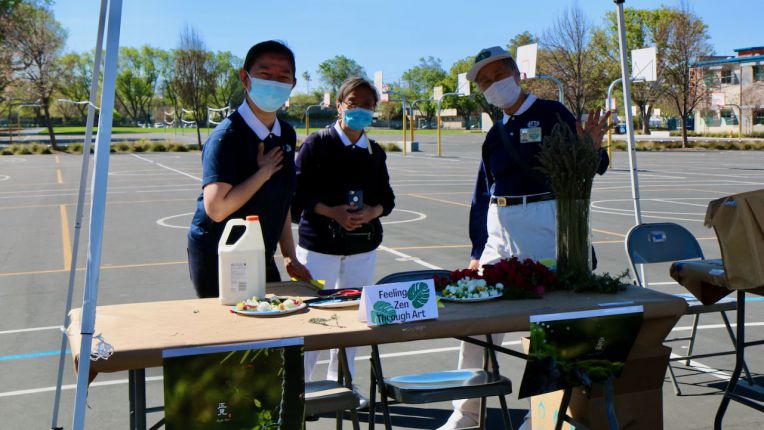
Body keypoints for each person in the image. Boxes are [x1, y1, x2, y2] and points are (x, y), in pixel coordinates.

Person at [438, 46, 610, 430]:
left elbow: (589, 166)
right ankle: (467, 414)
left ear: (517, 74)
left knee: (553, 323)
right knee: (477, 322)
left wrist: (594, 148)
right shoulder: (495, 133)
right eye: (484, 82)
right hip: (501, 227)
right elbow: (481, 193)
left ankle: (542, 419)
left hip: (545, 220)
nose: (493, 86)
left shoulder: (552, 113)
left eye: (498, 76)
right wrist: (476, 249)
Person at [187, 40, 311, 298]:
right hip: (219, 254)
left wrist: (289, 255)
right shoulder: (227, 137)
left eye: (283, 77)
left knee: (271, 328)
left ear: (293, 84)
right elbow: (216, 209)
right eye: (265, 75)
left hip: (259, 251)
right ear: (245, 78)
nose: (274, 83)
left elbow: (283, 202)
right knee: (228, 332)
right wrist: (262, 174)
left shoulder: (285, 134)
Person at [294, 77, 395, 387]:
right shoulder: (317, 144)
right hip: (318, 248)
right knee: (313, 318)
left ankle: (342, 384)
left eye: (368, 105)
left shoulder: (374, 153)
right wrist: (332, 212)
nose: (360, 109)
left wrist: (372, 212)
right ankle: (302, 391)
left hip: (360, 248)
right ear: (338, 106)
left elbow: (387, 199)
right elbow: (298, 195)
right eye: (353, 103)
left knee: (353, 318)